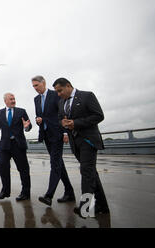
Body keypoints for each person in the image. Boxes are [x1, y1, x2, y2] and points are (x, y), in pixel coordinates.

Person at [52, 78, 109, 216]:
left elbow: (99, 115)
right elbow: (60, 119)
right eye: (56, 92)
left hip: (88, 140)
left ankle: (86, 206)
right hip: (74, 142)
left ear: (68, 86)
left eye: (60, 90)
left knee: (86, 171)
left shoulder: (87, 96)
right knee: (91, 173)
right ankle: (102, 206)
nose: (58, 94)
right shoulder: (61, 102)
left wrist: (76, 123)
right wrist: (63, 123)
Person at [31, 75, 75, 206]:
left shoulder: (55, 95)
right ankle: (69, 192)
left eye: (36, 85)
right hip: (46, 135)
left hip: (57, 133)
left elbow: (62, 114)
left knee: (55, 163)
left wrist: (65, 132)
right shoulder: (36, 99)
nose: (35, 88)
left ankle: (49, 195)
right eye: (33, 86)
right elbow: (40, 115)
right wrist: (38, 120)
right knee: (58, 164)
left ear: (43, 83)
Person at [0, 93, 32, 201]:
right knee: (3, 166)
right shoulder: (0, 113)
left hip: (18, 144)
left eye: (14, 98)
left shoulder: (21, 111)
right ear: (5, 101)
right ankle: (5, 191)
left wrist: (27, 127)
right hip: (5, 145)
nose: (13, 100)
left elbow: (28, 125)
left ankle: (25, 193)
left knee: (23, 169)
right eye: (11, 99)